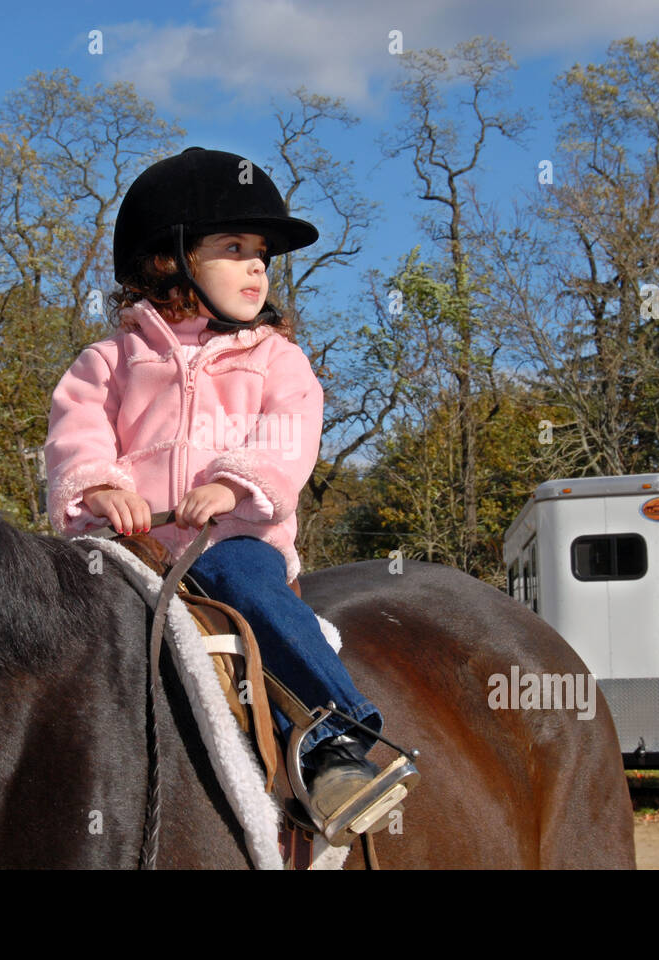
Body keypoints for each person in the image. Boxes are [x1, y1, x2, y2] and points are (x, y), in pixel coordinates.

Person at [45, 146, 411, 836]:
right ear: (168, 260)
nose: (256, 268)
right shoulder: (109, 360)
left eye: (263, 255)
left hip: (228, 543)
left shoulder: (277, 359)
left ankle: (330, 739)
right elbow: (78, 432)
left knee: (246, 582)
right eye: (235, 248)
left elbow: (290, 433)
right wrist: (98, 488)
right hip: (131, 548)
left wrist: (232, 483)